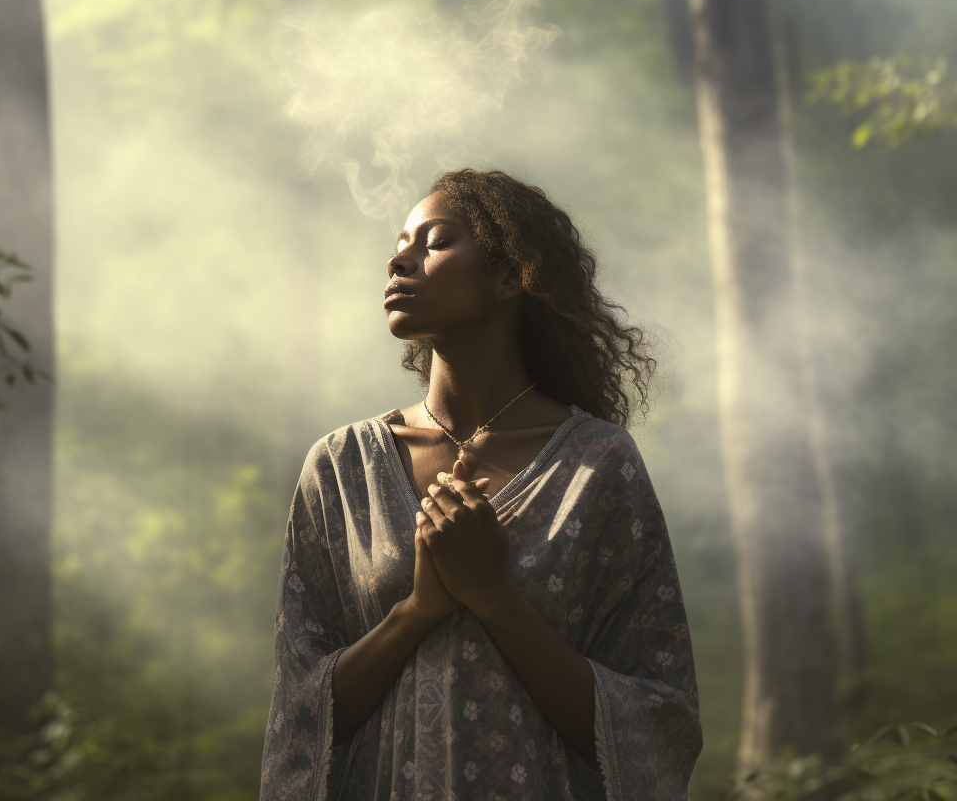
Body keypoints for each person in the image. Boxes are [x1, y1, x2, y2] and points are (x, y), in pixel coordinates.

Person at [259, 169, 702, 801]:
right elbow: (302, 714)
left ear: (511, 274)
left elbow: (658, 723)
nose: (399, 258)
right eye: (400, 242)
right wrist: (418, 610)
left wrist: (495, 597)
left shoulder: (600, 467)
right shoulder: (337, 468)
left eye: (434, 240)